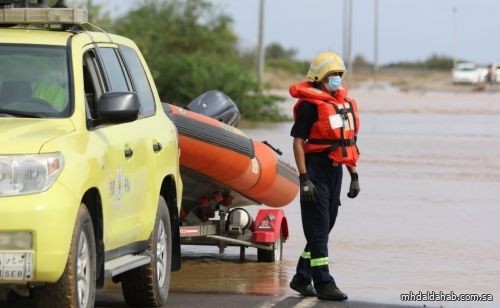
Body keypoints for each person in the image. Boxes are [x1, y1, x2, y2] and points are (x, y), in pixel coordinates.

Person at [288, 51, 360, 301]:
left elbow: (347, 143)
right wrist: (304, 178)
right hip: (315, 169)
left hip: (335, 170)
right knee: (318, 231)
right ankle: (324, 283)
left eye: (339, 75)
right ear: (319, 77)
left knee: (325, 228)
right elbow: (298, 143)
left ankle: (301, 277)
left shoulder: (341, 106)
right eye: (332, 75)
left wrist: (354, 175)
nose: (337, 79)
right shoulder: (310, 106)